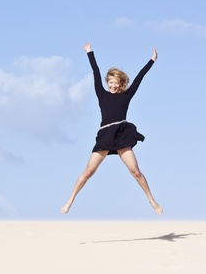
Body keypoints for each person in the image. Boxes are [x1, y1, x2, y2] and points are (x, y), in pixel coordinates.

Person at [61, 42, 163, 216]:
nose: (113, 85)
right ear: (107, 82)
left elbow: (140, 77)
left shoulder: (126, 95)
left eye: (116, 82)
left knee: (136, 172)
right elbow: (96, 72)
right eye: (111, 82)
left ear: (120, 83)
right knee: (88, 172)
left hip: (122, 134)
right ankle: (70, 199)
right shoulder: (101, 93)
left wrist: (152, 60)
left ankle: (151, 200)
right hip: (106, 135)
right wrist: (89, 52)